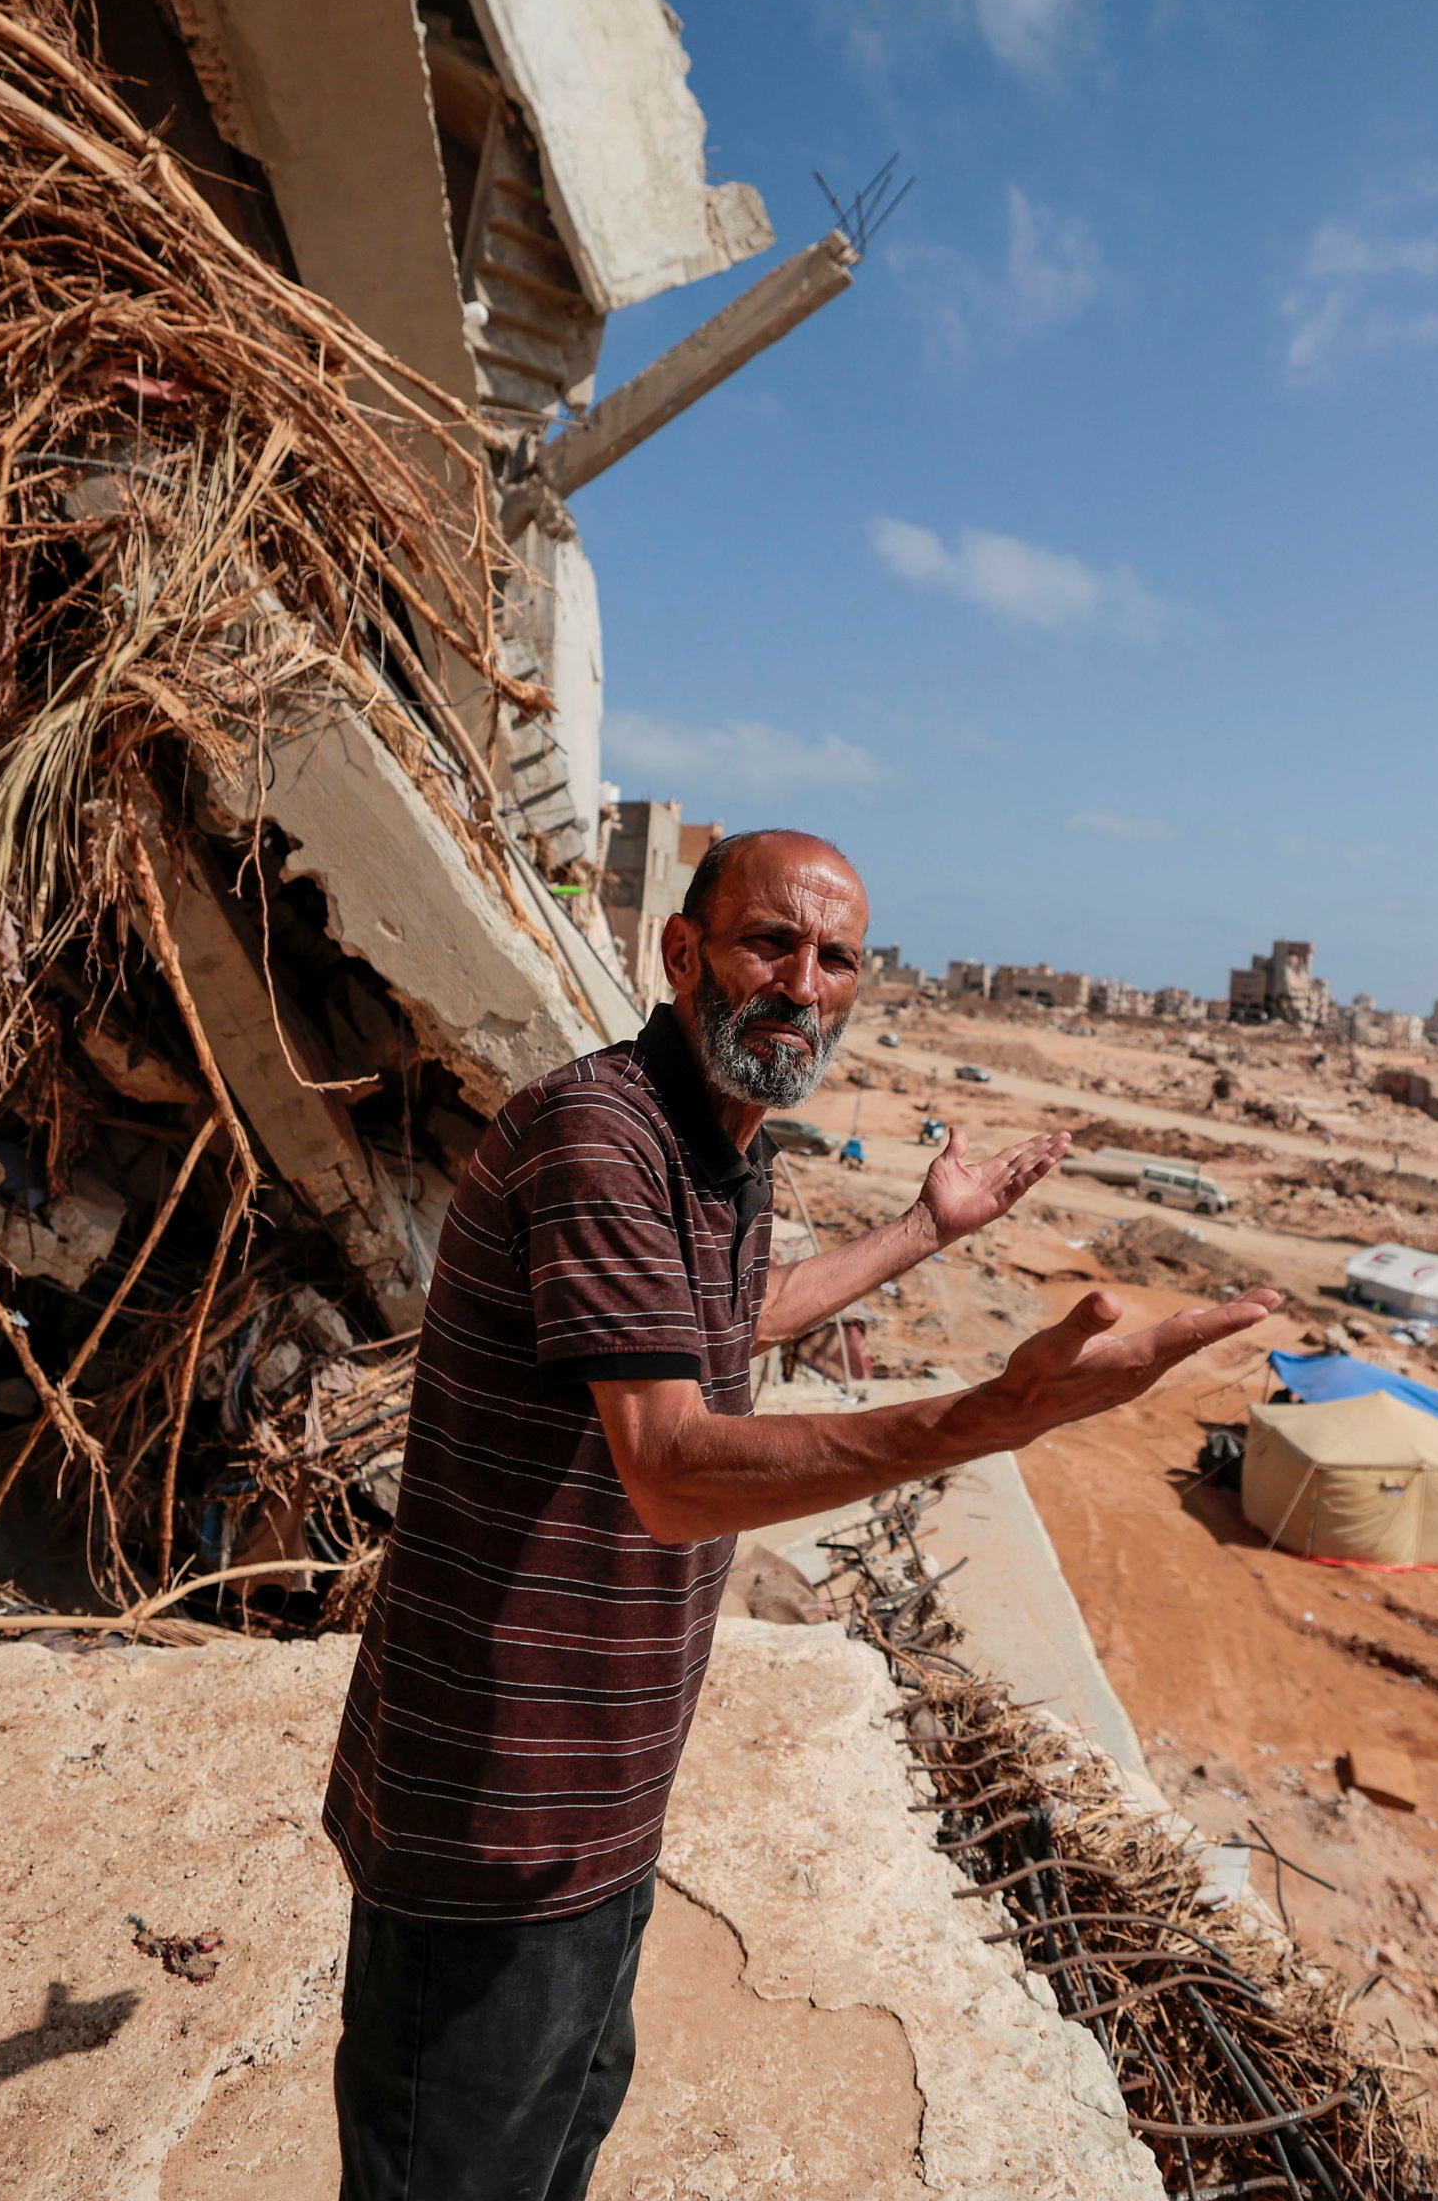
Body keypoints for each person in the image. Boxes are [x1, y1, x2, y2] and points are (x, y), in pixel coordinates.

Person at [321, 829, 1280, 2201]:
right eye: (771, 942)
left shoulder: (723, 1141)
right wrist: (998, 1412)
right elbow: (670, 1463)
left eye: (837, 958)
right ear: (681, 952)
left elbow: (720, 1324)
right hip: (494, 1804)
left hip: (601, 1797)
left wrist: (922, 1231)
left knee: (559, 2138)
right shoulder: (602, 1140)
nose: (804, 983)